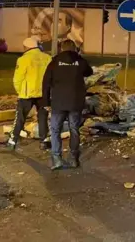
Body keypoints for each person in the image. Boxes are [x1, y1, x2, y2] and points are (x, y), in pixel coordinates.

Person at [43, 39, 93, 170]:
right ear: (74, 48)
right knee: (74, 129)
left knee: (55, 130)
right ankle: (74, 159)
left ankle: (57, 158)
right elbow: (89, 72)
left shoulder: (54, 62)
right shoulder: (79, 61)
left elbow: (46, 83)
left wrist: (46, 102)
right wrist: (79, 57)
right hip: (75, 102)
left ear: (61, 48)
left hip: (58, 102)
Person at [0, 37, 51, 151]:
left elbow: (17, 79)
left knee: (20, 118)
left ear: (26, 47)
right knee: (43, 117)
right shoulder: (47, 58)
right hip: (43, 93)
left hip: (27, 94)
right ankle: (44, 141)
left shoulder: (23, 59)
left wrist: (20, 91)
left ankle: (12, 141)